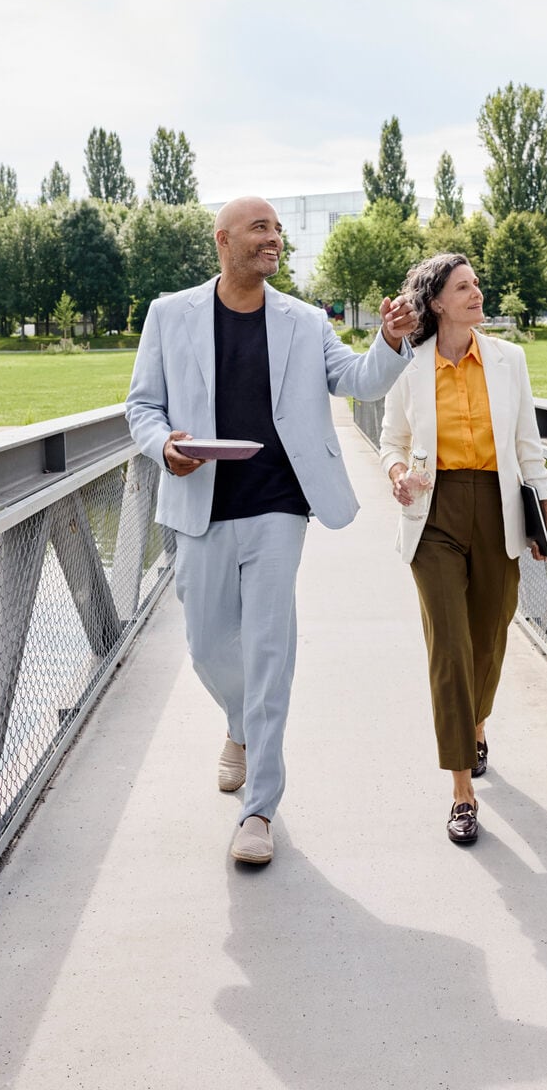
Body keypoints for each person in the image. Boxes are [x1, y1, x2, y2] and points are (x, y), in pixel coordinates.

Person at [125, 196, 417, 866]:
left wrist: (392, 341)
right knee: (204, 646)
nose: (273, 240)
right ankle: (239, 725)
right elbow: (142, 404)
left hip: (280, 504)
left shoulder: (302, 320)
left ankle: (259, 808)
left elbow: (357, 381)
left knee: (267, 648)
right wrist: (161, 443)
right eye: (260, 228)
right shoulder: (170, 315)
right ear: (223, 240)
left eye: (278, 230)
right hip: (200, 502)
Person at [378, 253, 547, 845]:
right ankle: (461, 790)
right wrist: (398, 471)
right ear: (437, 303)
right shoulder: (410, 366)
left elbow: (527, 442)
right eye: (464, 287)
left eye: (478, 283)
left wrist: (542, 515)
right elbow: (391, 439)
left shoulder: (510, 360)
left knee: (490, 636)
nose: (477, 293)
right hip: (433, 513)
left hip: (498, 507)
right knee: (448, 647)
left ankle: (477, 724)